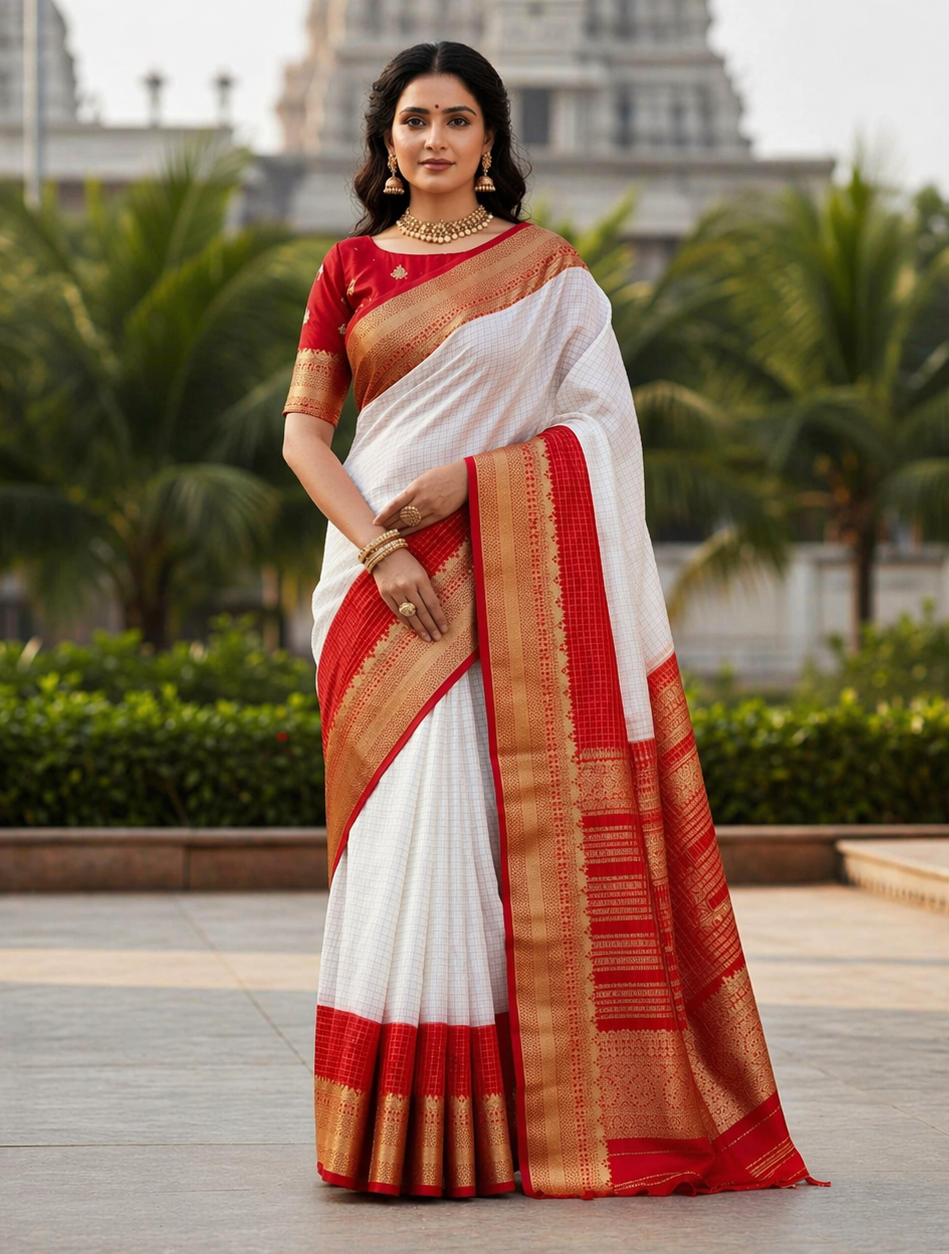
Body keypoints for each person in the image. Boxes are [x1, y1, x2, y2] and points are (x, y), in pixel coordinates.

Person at [282, 41, 820, 1201]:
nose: (433, 140)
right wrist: (379, 546)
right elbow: (302, 439)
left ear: (491, 141)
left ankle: (487, 1135)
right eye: (414, 119)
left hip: (500, 582)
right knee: (397, 838)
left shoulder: (549, 275)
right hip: (378, 591)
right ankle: (384, 1129)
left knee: (472, 841)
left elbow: (601, 437)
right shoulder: (349, 269)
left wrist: (474, 486)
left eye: (457, 120)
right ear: (385, 139)